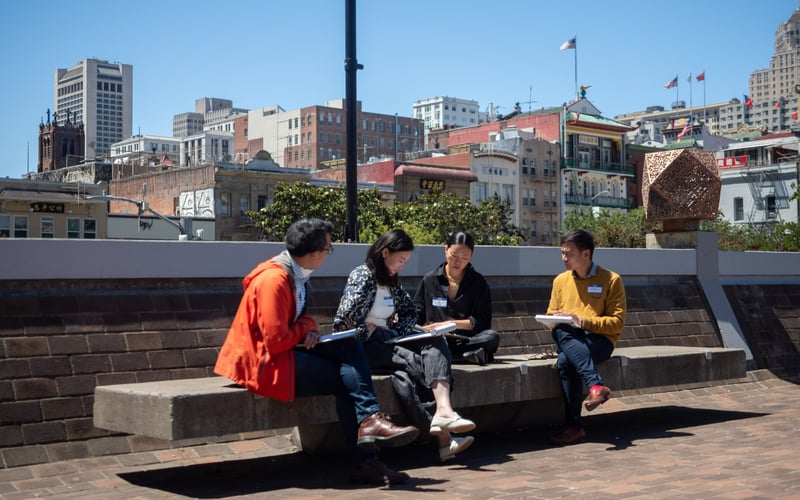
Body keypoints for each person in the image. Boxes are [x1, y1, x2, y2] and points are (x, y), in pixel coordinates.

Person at [214, 219, 418, 486]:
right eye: (328, 249)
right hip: (263, 363)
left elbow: (287, 331)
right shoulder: (273, 280)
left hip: (284, 354)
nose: (328, 253)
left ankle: (369, 431)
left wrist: (304, 329)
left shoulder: (294, 275)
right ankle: (366, 455)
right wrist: (307, 325)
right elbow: (275, 340)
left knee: (349, 344)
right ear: (313, 254)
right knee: (348, 380)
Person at [334, 229, 476, 463]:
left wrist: (396, 330)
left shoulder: (392, 282)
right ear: (385, 253)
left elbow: (410, 311)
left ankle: (443, 410)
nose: (401, 265)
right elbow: (343, 320)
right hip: (364, 348)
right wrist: (366, 327)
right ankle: (443, 436)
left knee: (435, 340)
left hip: (389, 341)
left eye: (406, 261)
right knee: (416, 364)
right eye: (400, 260)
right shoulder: (362, 276)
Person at [546, 228, 626, 445]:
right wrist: (558, 320)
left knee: (565, 361)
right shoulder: (560, 281)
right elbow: (551, 316)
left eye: (568, 253)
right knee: (562, 330)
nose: (564, 258)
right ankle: (596, 386)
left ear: (586, 254)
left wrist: (582, 321)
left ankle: (573, 426)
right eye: (562, 253)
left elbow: (617, 323)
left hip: (599, 340)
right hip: (568, 336)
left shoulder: (611, 280)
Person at [414, 231, 500, 365]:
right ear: (446, 249)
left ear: (471, 256)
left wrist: (451, 324)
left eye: (465, 257)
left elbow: (483, 322)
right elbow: (417, 314)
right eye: (454, 255)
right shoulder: (430, 280)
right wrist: (428, 328)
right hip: (435, 338)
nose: (458, 261)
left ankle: (452, 355)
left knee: (491, 337)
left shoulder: (478, 282)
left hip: (463, 339)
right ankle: (464, 356)